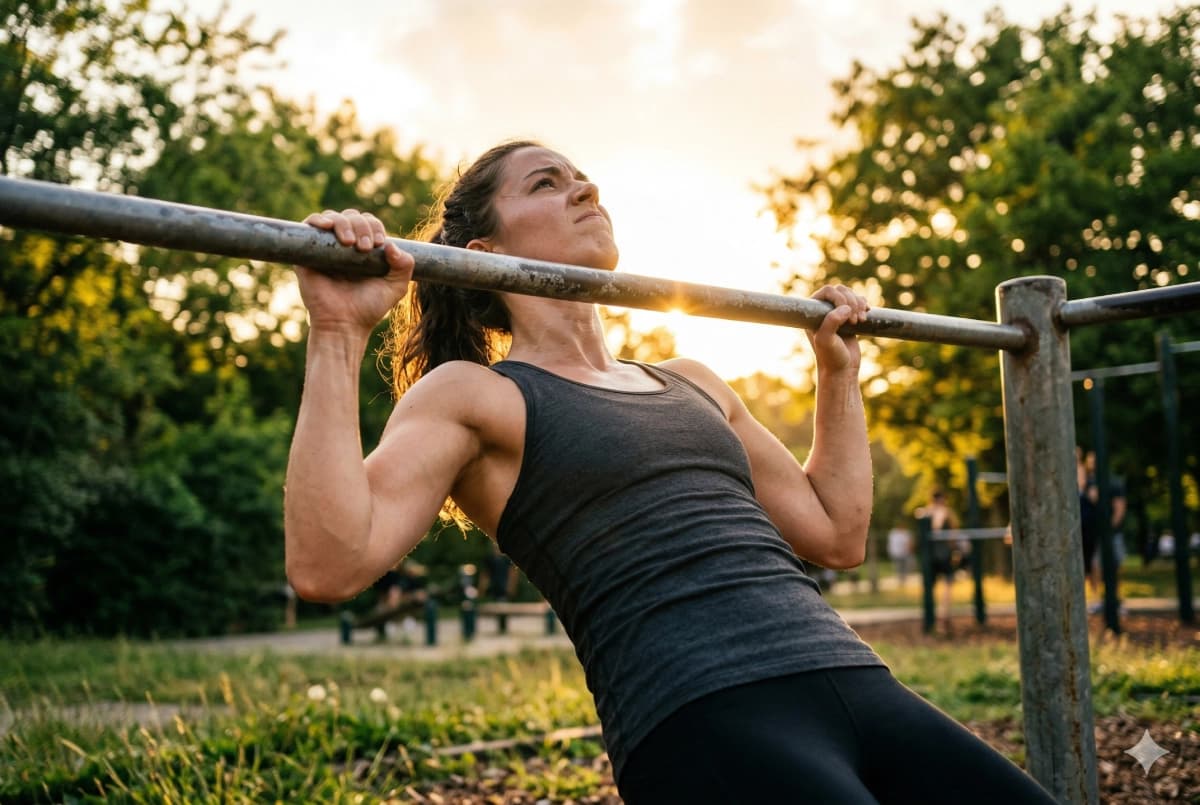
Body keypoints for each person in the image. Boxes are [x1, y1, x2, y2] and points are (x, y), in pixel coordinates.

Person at [284, 140, 1055, 803]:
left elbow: (837, 529)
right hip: (699, 713)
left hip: (856, 678)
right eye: (546, 183)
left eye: (580, 174)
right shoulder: (475, 394)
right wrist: (337, 331)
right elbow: (329, 561)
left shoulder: (694, 379)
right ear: (485, 256)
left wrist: (838, 374)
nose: (584, 187)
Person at [916, 489, 967, 630]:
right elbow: (947, 532)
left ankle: (940, 614)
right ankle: (942, 614)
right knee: (946, 585)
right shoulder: (943, 512)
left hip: (933, 555)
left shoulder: (926, 512)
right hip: (941, 555)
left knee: (938, 586)